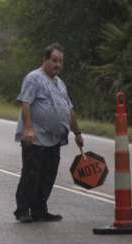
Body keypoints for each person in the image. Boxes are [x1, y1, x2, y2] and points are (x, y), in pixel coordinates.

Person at [14, 43, 83, 223]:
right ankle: (22, 210)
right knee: (31, 174)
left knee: (48, 175)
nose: (57, 64)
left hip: (54, 139)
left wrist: (77, 132)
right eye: (54, 60)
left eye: (60, 61)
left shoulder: (60, 84)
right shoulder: (34, 78)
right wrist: (28, 129)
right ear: (45, 60)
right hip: (35, 137)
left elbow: (69, 109)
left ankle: (39, 209)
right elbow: (26, 103)